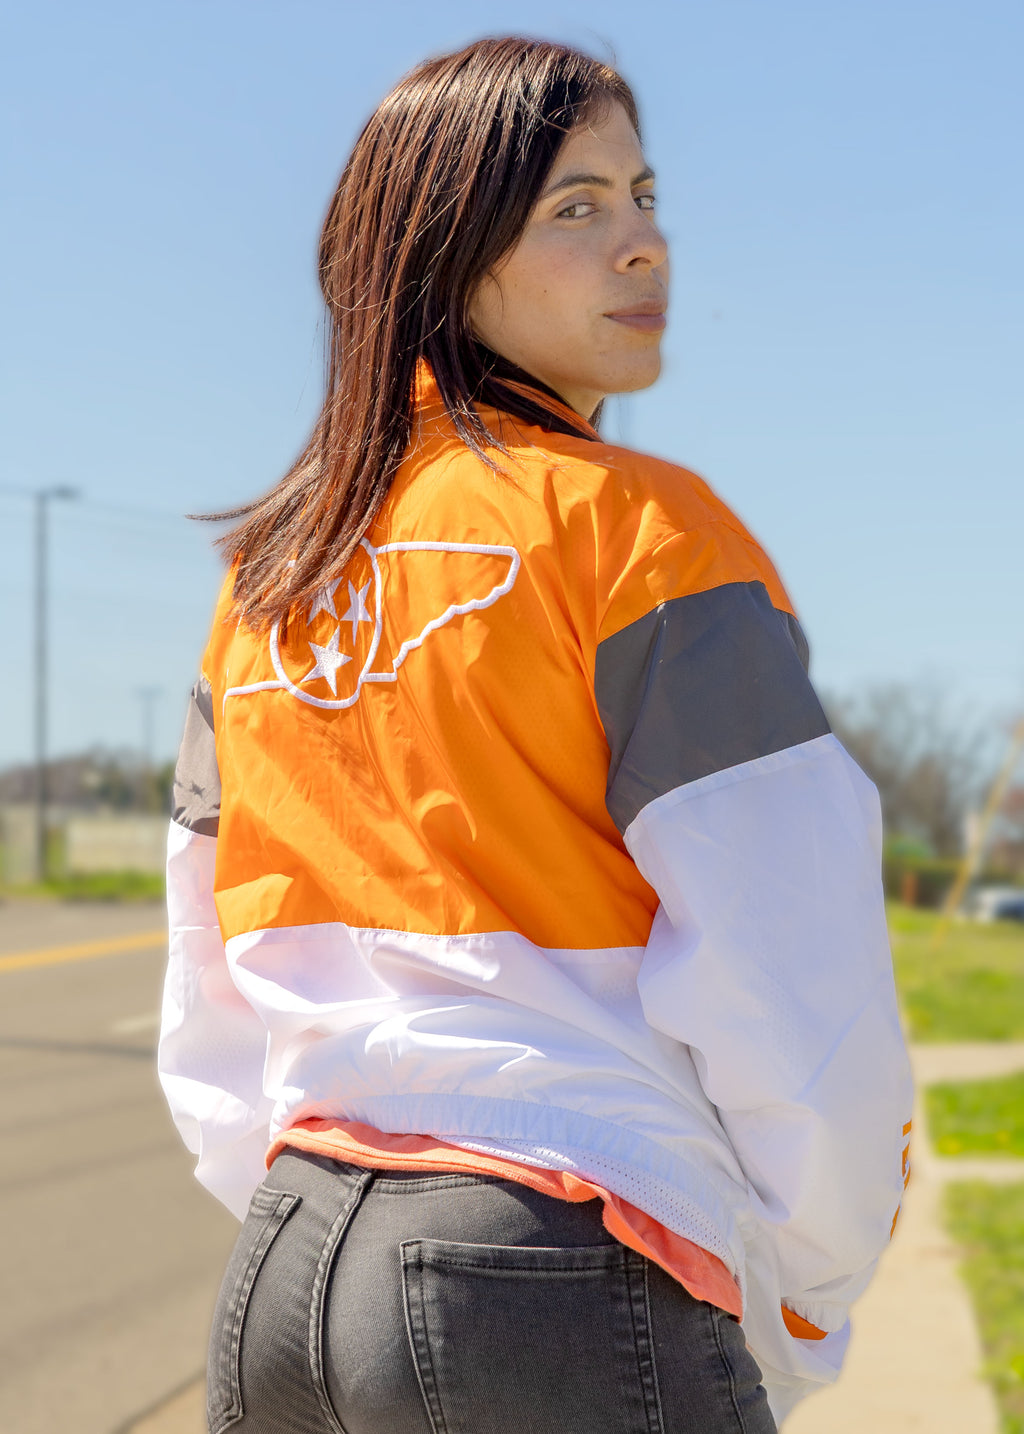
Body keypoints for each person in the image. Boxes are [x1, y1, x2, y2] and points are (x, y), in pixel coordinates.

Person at [159, 35, 913, 1434]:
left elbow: (209, 984)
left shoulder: (265, 583)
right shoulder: (640, 533)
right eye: (577, 207)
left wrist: (307, 1196)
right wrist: (804, 1291)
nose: (644, 244)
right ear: (445, 254)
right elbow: (796, 973)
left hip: (287, 1268)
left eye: (642, 193)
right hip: (554, 1265)